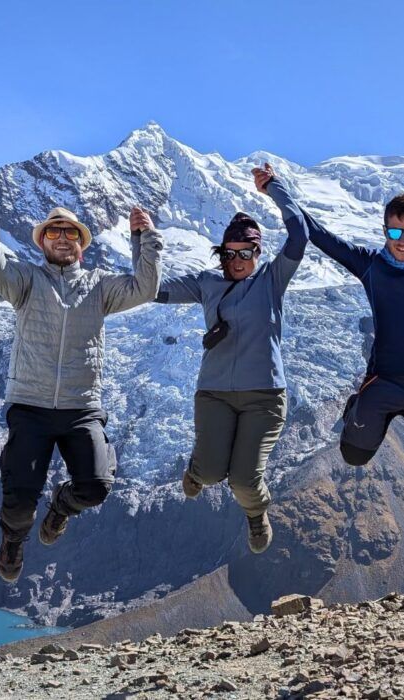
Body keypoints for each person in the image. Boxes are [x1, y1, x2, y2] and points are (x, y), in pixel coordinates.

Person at [258, 114, 404, 475]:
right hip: (382, 381)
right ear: (385, 230)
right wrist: (275, 188)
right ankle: (359, 403)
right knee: (353, 455)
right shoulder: (370, 265)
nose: (402, 243)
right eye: (395, 233)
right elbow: (316, 232)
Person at [0, 180, 163, 583]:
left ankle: (61, 507)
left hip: (82, 407)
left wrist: (144, 239)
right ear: (43, 241)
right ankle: (14, 539)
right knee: (18, 500)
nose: (62, 238)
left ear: (82, 243)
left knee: (96, 486)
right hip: (31, 406)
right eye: (54, 232)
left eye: (71, 233)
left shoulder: (98, 286)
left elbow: (145, 288)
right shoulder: (26, 281)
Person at [155, 167, 308, 554]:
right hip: (215, 394)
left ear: (257, 253)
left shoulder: (272, 280)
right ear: (221, 252)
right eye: (230, 253)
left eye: (246, 253)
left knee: (244, 480)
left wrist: (274, 188)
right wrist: (143, 243)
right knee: (207, 474)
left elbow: (301, 235)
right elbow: (153, 291)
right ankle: (196, 470)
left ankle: (256, 515)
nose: (237, 260)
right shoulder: (207, 283)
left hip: (264, 397)